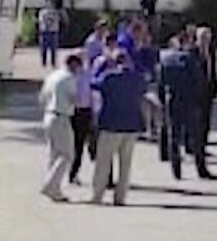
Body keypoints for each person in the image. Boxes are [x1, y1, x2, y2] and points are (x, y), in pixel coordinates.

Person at [91, 51, 149, 206]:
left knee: (103, 162)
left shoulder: (109, 77)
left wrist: (102, 67)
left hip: (111, 124)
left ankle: (98, 195)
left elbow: (94, 83)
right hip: (131, 125)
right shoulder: (138, 78)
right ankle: (120, 197)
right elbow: (144, 91)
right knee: (125, 164)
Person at [157, 31, 201, 180]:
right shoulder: (189, 59)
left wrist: (162, 100)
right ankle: (200, 166)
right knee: (195, 134)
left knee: (173, 135)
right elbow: (198, 80)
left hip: (172, 99)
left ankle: (176, 169)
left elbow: (160, 83)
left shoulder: (165, 59)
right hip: (188, 99)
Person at [38, 55, 80, 201]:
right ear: (74, 65)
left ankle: (55, 190)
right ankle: (49, 185)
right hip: (61, 116)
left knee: (54, 154)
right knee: (67, 155)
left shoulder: (52, 76)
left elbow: (42, 97)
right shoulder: (69, 78)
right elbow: (74, 98)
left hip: (48, 115)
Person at [191, 26, 217, 180]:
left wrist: (215, 87)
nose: (205, 41)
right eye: (203, 38)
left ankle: (201, 157)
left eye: (208, 38)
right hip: (195, 99)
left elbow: (213, 71)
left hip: (208, 97)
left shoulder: (212, 52)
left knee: (205, 128)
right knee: (198, 132)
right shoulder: (192, 53)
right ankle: (200, 166)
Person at [69, 51, 97, 185]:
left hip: (87, 111)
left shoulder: (88, 74)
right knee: (77, 145)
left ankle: (101, 175)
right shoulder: (69, 76)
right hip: (75, 112)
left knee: (92, 144)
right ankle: (73, 173)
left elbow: (92, 94)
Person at [38, 0, 63, 69]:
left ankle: (53, 63)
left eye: (51, 2)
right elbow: (41, 20)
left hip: (53, 32)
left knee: (53, 48)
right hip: (44, 32)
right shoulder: (42, 12)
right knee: (43, 48)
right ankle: (44, 63)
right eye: (48, 2)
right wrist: (47, 22)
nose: (49, 4)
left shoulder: (56, 12)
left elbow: (58, 19)